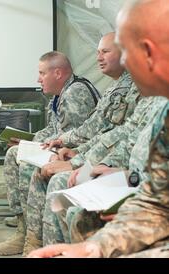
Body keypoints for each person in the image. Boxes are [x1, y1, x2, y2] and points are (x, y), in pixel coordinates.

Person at [28, 0, 169, 258]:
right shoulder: (163, 108)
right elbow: (158, 201)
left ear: (148, 52)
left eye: (124, 51)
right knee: (82, 221)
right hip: (130, 181)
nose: (124, 63)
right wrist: (94, 248)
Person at [21, 33, 144, 254]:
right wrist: (78, 153)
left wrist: (79, 162)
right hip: (121, 170)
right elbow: (116, 133)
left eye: (105, 51)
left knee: (59, 184)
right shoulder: (133, 89)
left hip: (134, 178)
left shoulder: (140, 90)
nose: (99, 57)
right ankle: (34, 240)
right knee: (47, 175)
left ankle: (50, 248)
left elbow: (117, 136)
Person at [0, 51, 99, 255]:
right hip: (64, 148)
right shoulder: (60, 95)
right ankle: (24, 224)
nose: (38, 79)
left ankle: (33, 237)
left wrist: (37, 146)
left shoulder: (75, 93)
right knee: (15, 152)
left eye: (42, 73)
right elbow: (53, 130)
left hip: (78, 154)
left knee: (26, 164)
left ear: (58, 73)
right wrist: (29, 140)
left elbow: (76, 137)